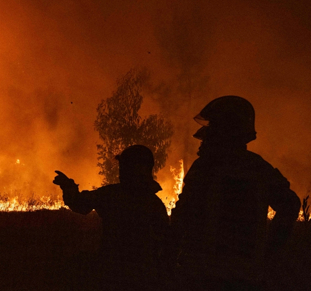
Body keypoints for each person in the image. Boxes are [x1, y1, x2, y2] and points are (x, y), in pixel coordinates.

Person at [169, 96, 301, 291]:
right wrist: (270, 252)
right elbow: (290, 204)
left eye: (213, 127)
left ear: (223, 131)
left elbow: (183, 215)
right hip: (244, 274)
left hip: (202, 274)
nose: (205, 139)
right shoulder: (258, 168)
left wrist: (168, 253)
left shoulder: (205, 167)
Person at [54, 145, 169, 290]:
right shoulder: (154, 204)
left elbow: (80, 204)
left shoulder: (113, 195)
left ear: (136, 169)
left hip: (113, 273)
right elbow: (166, 244)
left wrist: (68, 187)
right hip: (142, 277)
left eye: (124, 167)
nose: (121, 172)